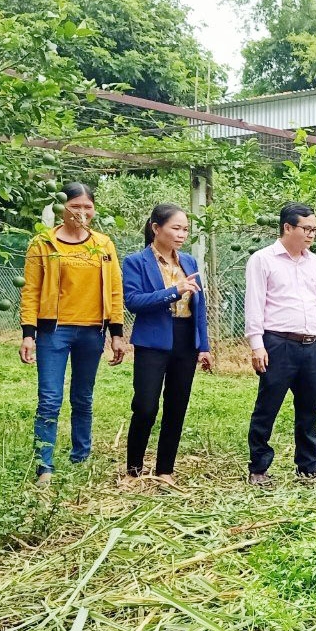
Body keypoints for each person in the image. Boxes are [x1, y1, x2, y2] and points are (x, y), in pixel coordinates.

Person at [19, 182, 125, 484]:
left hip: (93, 332)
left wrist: (117, 332)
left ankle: (81, 457)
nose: (81, 212)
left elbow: (115, 289)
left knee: (83, 398)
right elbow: (30, 291)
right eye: (74, 206)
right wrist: (28, 333)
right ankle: (44, 466)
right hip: (54, 331)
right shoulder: (42, 243)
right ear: (61, 207)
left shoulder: (103, 245)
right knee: (49, 400)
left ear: (94, 210)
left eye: (87, 207)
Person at [244, 202, 316, 485]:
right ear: (287, 227)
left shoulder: (314, 263)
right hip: (277, 344)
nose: (311, 235)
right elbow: (254, 303)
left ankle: (309, 465)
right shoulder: (263, 260)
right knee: (267, 407)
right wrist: (257, 344)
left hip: (310, 346)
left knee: (309, 408)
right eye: (306, 229)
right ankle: (259, 467)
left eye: (314, 230)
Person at [122, 204, 213, 486]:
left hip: (185, 339)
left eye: (185, 229)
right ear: (156, 228)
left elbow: (200, 307)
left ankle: (165, 470)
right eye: (176, 228)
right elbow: (134, 301)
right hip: (153, 340)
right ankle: (134, 470)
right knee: (146, 406)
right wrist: (174, 291)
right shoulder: (136, 261)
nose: (182, 234)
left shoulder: (188, 261)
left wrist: (204, 346)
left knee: (177, 404)